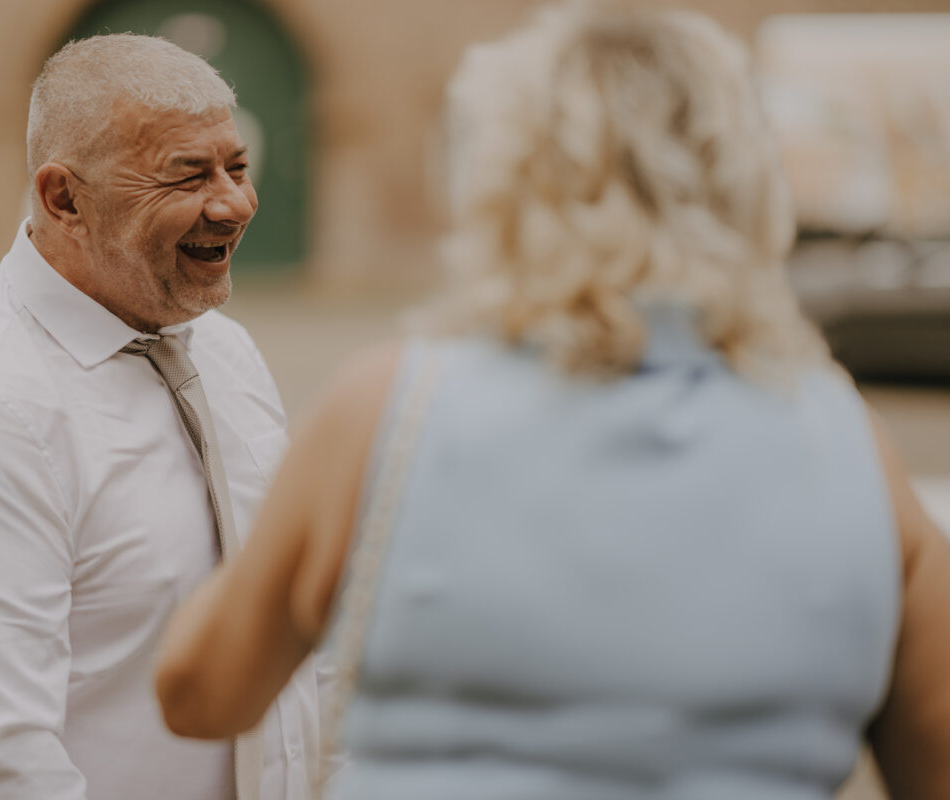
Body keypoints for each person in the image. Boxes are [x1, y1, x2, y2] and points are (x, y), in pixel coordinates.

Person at [153, 4, 950, 799]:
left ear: (499, 180)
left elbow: (200, 694)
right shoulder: (845, 442)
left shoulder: (391, 408)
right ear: (750, 187)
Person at [0, 34, 325, 800]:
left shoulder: (225, 351)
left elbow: (295, 630)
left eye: (237, 167)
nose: (235, 203)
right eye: (189, 175)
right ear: (64, 200)